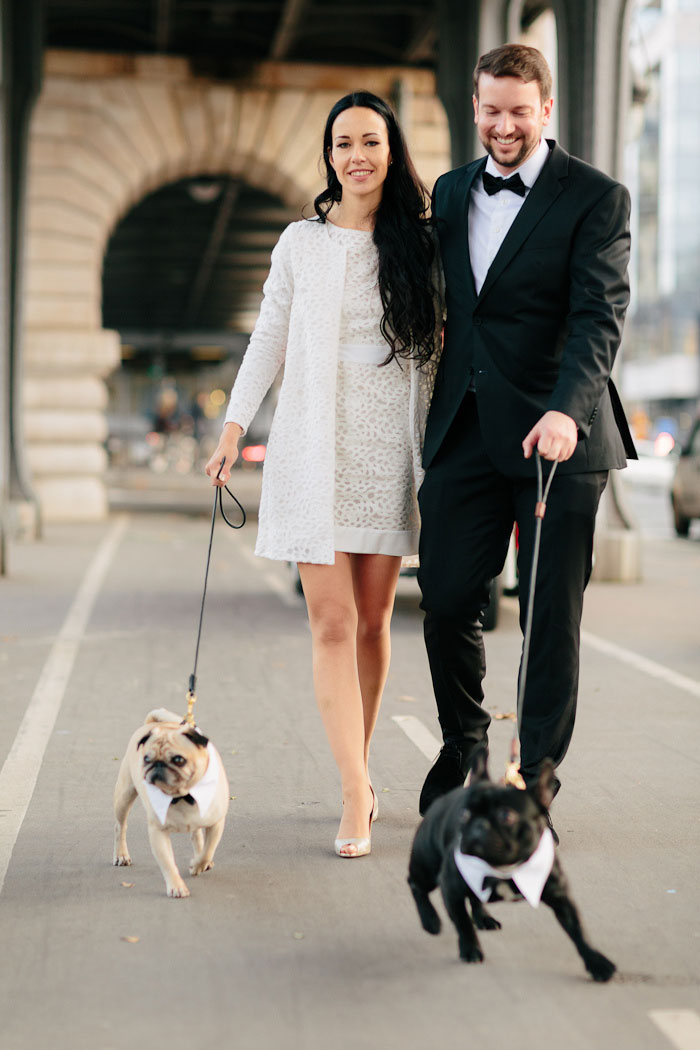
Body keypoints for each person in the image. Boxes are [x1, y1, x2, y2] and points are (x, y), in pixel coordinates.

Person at [206, 91, 440, 858]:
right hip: (313, 444)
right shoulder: (300, 243)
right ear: (329, 154)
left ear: (391, 151)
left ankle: (362, 770)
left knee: (374, 623)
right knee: (331, 622)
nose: (357, 156)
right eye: (343, 143)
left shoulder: (422, 242)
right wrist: (233, 428)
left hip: (386, 449)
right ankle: (352, 790)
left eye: (371, 141)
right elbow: (268, 335)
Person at [416, 44, 637, 836]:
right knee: (443, 600)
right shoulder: (448, 192)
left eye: (519, 111)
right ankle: (464, 744)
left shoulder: (597, 198)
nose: (503, 126)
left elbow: (598, 318)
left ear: (547, 111)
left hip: (559, 440)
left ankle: (535, 776)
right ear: (475, 107)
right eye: (491, 110)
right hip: (465, 430)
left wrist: (567, 411)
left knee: (548, 618)